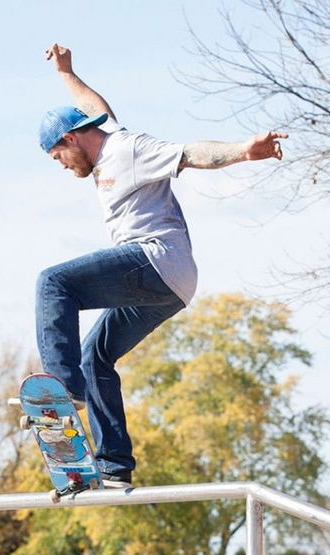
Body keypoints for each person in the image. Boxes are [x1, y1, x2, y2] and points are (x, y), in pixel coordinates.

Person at [36, 43, 287, 488]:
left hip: (155, 260)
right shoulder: (104, 139)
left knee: (54, 284)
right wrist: (66, 72)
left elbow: (189, 153)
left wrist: (244, 151)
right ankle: (114, 466)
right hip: (166, 286)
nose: (63, 167)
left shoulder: (129, 148)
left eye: (59, 157)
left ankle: (62, 390)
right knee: (96, 357)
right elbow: (92, 108)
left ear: (70, 139)